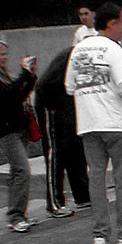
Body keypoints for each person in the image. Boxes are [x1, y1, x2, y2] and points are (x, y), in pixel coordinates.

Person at [65, 3, 122, 244]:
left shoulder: (78, 49)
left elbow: (70, 87)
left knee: (96, 179)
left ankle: (100, 235)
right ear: (111, 23)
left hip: (88, 124)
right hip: (114, 122)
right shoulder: (113, 49)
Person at [0, 38, 38, 233]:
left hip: (18, 126)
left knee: (16, 172)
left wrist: (30, 75)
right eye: (2, 54)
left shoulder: (4, 75)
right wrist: (23, 73)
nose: (5, 57)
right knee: (23, 171)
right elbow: (8, 95)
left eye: (6, 54)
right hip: (5, 131)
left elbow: (19, 96)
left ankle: (17, 213)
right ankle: (16, 216)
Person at [35, 46, 90, 217]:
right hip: (50, 104)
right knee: (55, 153)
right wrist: (55, 110)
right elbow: (45, 84)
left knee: (76, 148)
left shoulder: (87, 56)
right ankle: (54, 203)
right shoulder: (74, 55)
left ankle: (82, 196)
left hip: (67, 103)